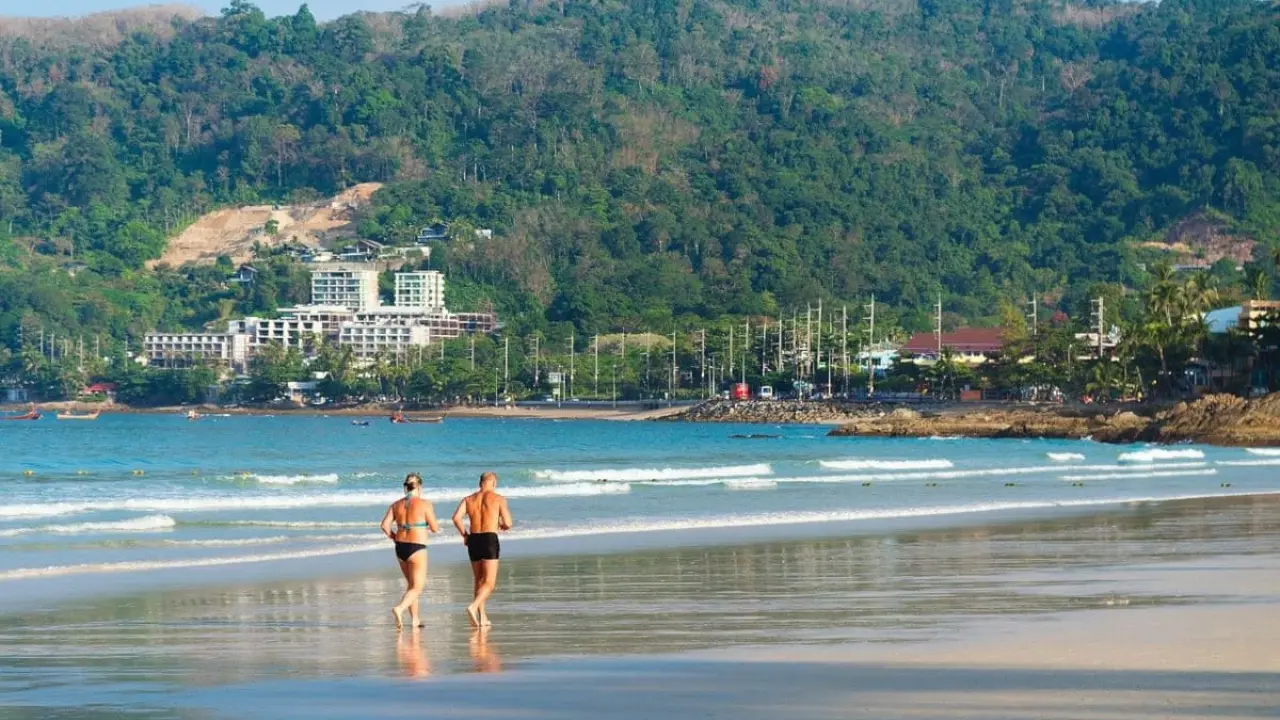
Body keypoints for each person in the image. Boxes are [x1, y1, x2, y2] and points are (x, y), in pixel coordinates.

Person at [452, 472, 513, 627]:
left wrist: (465, 535)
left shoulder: (468, 499)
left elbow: (456, 518)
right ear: (494, 483)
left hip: (474, 539)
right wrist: (502, 525)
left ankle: (482, 617)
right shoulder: (499, 499)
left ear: (480, 483)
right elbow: (508, 523)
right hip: (489, 539)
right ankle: (473, 607)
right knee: (489, 583)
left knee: (479, 580)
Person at [380, 473, 439, 629]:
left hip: (400, 547)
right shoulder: (425, 503)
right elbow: (434, 528)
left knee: (411, 585)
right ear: (419, 486)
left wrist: (394, 537)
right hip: (416, 546)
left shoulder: (396, 504)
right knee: (417, 587)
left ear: (405, 487)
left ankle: (415, 620)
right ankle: (400, 608)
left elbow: (384, 526)